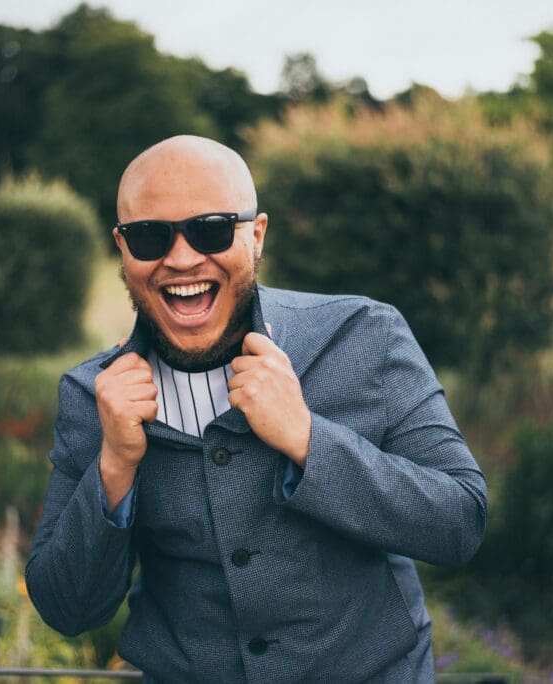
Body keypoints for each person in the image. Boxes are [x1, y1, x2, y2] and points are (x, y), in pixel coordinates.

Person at [25, 135, 487, 682]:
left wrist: (307, 439)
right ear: (122, 247)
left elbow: (459, 521)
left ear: (256, 234)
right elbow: (67, 608)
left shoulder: (364, 336)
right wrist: (114, 468)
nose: (181, 258)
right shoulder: (90, 395)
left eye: (210, 229)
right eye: (150, 236)